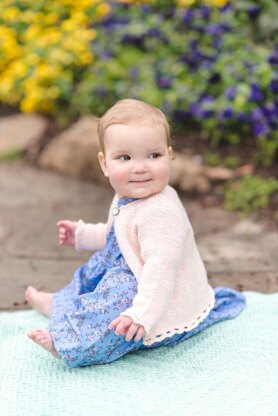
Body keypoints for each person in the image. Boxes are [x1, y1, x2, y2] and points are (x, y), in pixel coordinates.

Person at [26, 98, 245, 367]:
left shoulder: (162, 213)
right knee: (90, 274)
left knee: (113, 305)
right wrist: (82, 235)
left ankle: (73, 343)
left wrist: (142, 314)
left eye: (153, 155)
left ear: (169, 154)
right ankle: (59, 305)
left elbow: (161, 270)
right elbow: (117, 236)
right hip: (128, 270)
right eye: (125, 158)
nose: (140, 167)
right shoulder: (125, 196)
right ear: (105, 164)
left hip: (155, 298)